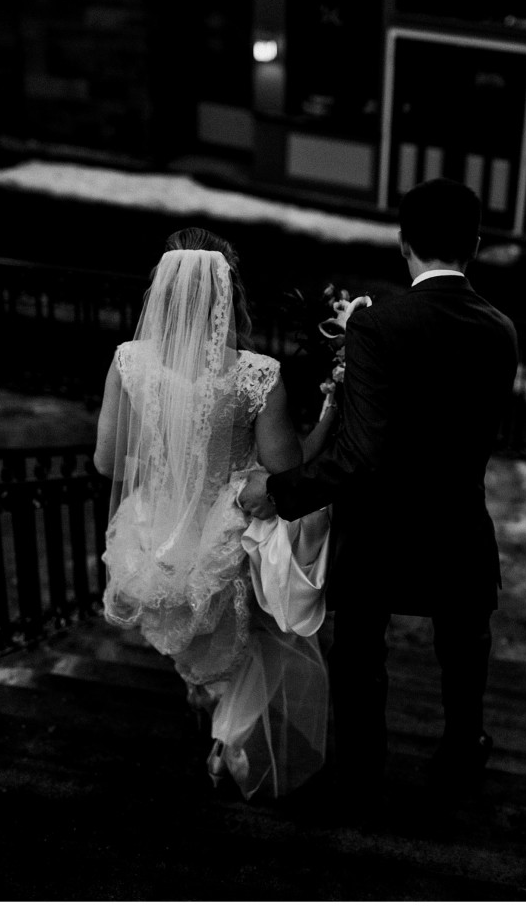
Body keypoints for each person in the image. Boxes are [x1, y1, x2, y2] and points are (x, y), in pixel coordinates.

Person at [241, 177, 519, 810]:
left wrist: (281, 492)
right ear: (475, 244)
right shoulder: (501, 329)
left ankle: (362, 775)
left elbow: (363, 455)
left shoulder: (377, 327)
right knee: (464, 645)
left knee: (361, 651)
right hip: (458, 523)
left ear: (403, 244)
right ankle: (461, 752)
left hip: (380, 528)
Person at [94, 227, 335, 800]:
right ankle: (228, 743)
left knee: (198, 644)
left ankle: (210, 716)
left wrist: (167, 459)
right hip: (223, 534)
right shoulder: (256, 374)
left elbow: (108, 462)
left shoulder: (129, 362)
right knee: (247, 643)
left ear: (164, 294)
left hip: (152, 534)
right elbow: (286, 470)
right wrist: (333, 409)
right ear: (230, 294)